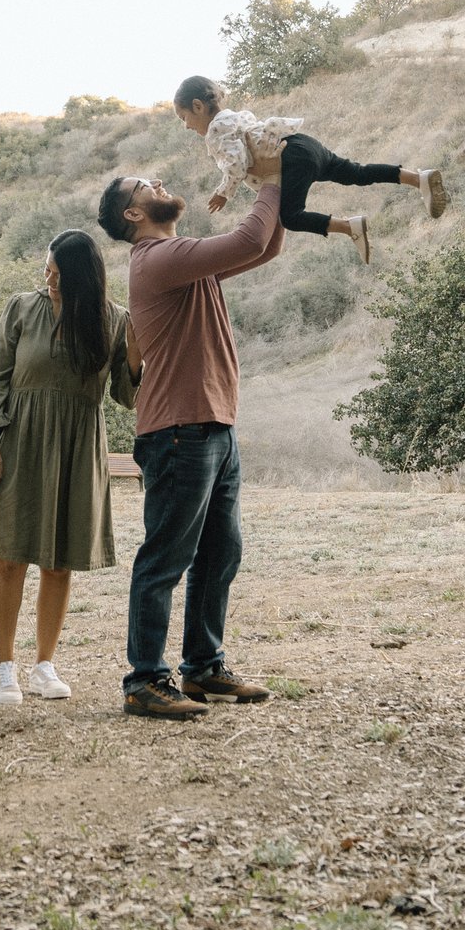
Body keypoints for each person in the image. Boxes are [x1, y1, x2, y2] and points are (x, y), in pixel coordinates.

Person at [97, 171, 282, 720]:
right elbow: (250, 238)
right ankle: (144, 681)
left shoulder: (182, 261)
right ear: (133, 214)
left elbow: (267, 246)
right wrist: (271, 179)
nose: (158, 182)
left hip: (213, 425)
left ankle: (203, 669)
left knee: (221, 552)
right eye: (143, 184)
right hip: (179, 430)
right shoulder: (158, 259)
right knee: (166, 557)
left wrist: (279, 186)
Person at [0, 229, 140, 705]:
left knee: (59, 564)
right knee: (10, 556)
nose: (49, 280)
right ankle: (4, 668)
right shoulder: (21, 308)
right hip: (21, 439)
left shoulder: (114, 319)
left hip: (78, 446)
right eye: (47, 270)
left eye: (58, 275)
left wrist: (138, 350)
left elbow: (126, 396)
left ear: (83, 279)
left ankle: (44, 666)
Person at [172, 74, 447, 265]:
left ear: (198, 106)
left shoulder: (216, 131)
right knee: (357, 173)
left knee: (291, 217)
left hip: (290, 158)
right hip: (302, 143)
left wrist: (224, 193)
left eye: (184, 117)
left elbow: (236, 165)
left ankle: (349, 226)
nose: (186, 126)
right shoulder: (235, 116)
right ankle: (417, 178)